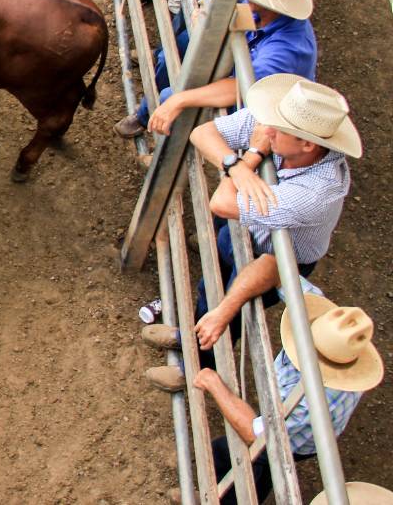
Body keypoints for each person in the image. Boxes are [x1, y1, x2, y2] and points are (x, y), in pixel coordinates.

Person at [141, 74, 361, 371]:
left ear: (307, 145)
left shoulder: (317, 193)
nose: (266, 128)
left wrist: (252, 157)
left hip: (274, 260)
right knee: (211, 286)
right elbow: (202, 133)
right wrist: (237, 167)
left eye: (278, 129)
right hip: (244, 229)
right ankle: (189, 335)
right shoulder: (279, 125)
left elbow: (221, 203)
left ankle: (198, 368)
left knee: (232, 317)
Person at [148, 295, 383, 505]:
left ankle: (221, 498)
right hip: (293, 420)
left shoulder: (311, 407)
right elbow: (275, 270)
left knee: (252, 462)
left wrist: (215, 384)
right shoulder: (336, 335)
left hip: (294, 438)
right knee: (241, 458)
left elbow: (259, 436)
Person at [114, 0, 317, 139]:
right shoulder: (268, 11)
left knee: (170, 96)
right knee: (177, 48)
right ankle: (149, 107)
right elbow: (237, 11)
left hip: (255, 104)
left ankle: (167, 154)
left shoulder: (286, 50)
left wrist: (180, 99)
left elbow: (242, 87)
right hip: (239, 65)